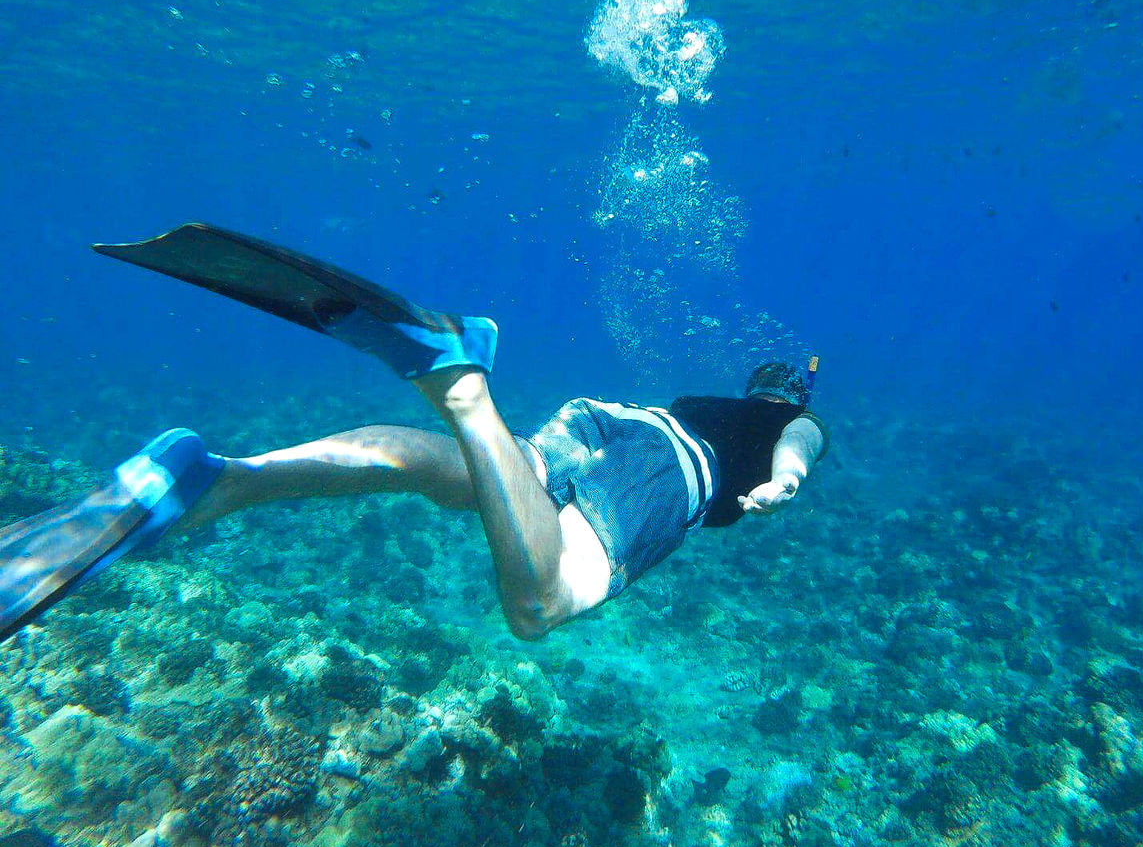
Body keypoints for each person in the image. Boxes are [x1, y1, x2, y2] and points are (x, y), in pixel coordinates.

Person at [0, 225, 827, 643]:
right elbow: (799, 449)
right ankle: (462, 384)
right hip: (671, 470)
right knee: (540, 603)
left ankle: (217, 479)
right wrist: (787, 477)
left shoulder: (707, 397)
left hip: (609, 423)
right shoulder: (794, 419)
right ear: (792, 392)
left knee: (479, 478)